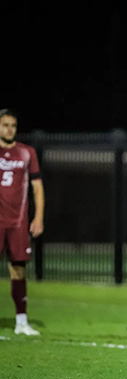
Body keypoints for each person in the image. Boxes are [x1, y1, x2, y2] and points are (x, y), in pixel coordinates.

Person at [0, 109, 44, 336]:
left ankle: (21, 322)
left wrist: (38, 217)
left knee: (18, 269)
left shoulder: (26, 153)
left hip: (17, 222)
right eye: (5, 125)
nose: (9, 129)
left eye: (13, 126)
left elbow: (37, 187)